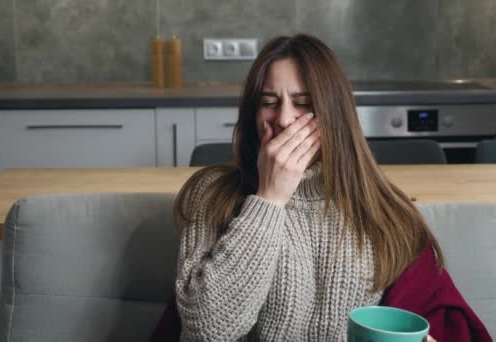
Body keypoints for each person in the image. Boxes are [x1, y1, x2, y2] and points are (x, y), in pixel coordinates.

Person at [172, 34, 476, 342]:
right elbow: (205, 330)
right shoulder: (211, 193)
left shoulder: (381, 209)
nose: (284, 118)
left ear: (334, 114)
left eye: (303, 103)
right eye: (268, 103)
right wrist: (269, 199)